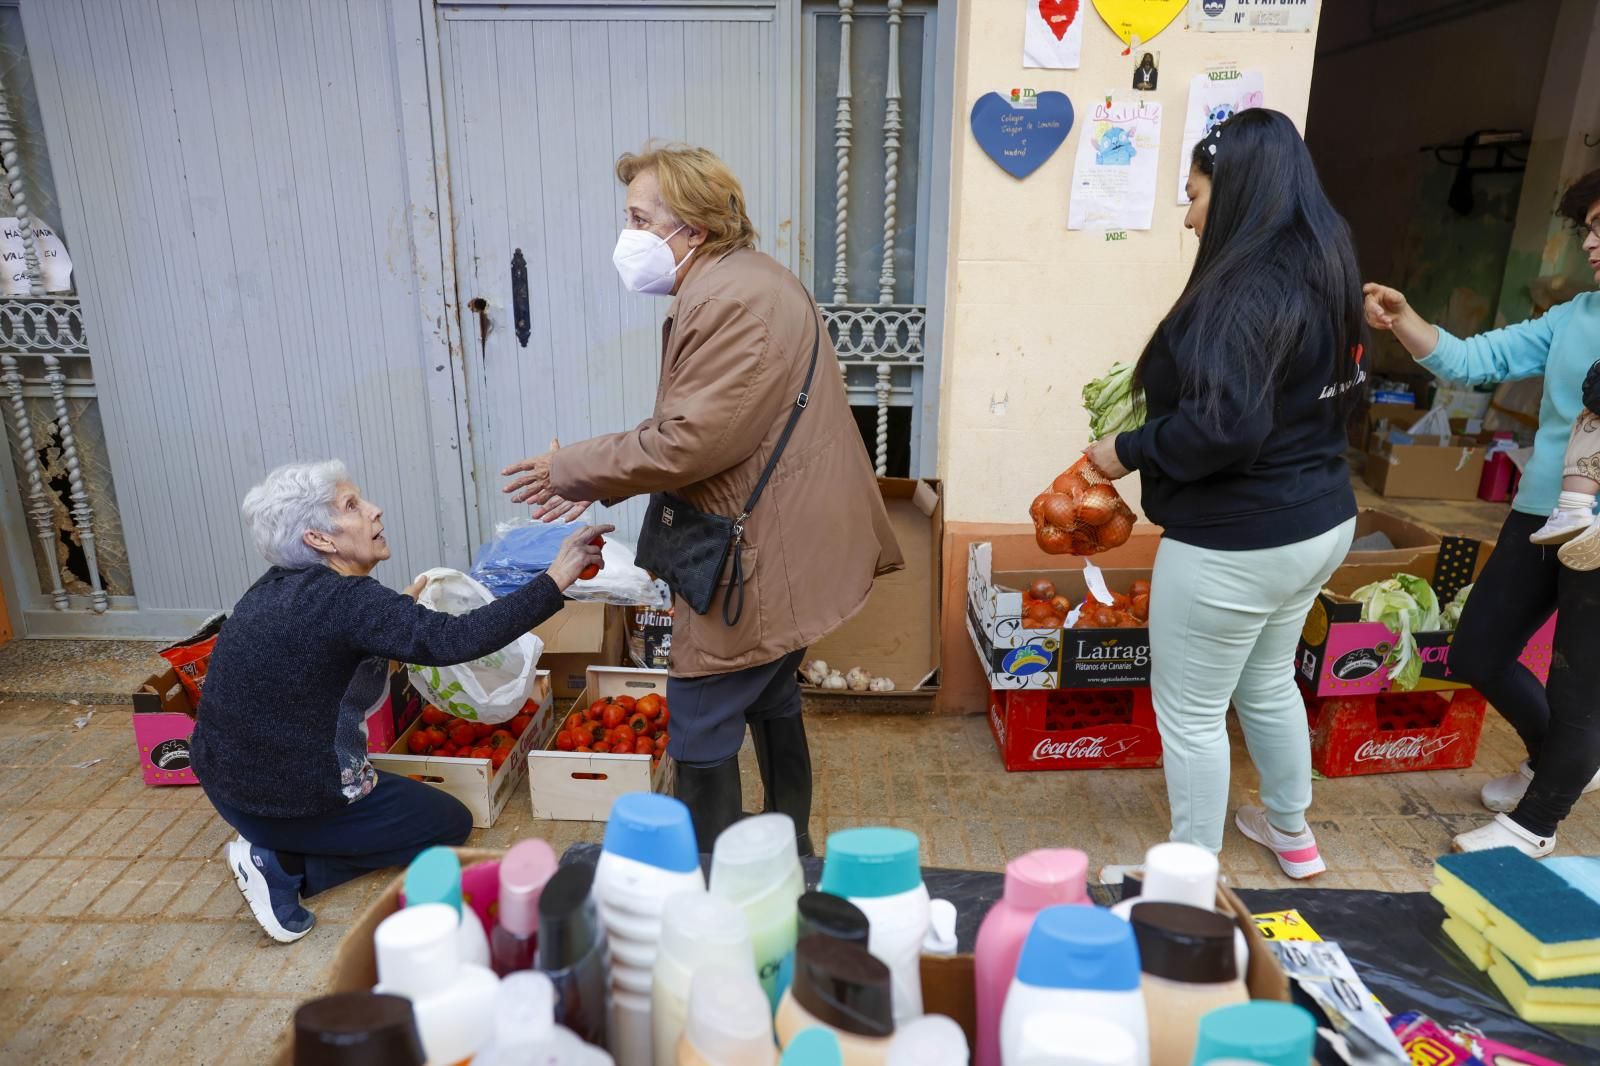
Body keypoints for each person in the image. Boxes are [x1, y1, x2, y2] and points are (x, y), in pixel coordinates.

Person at [501, 144, 901, 853]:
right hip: (787, 537)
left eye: (640, 219)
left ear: (697, 226)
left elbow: (688, 443)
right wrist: (586, 467)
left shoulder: (729, 301)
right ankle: (789, 855)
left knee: (702, 713)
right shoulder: (746, 282)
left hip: (760, 552)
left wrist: (572, 467)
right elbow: (707, 426)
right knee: (773, 692)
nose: (628, 238)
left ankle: (720, 884)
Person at [1085, 110, 1363, 879]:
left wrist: (1125, 451)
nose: (1188, 212)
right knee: (1268, 679)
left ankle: (1192, 868)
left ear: (1234, 193)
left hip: (1238, 542)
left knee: (1193, 713)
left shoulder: (1245, 291)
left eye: (1196, 192)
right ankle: (1292, 834)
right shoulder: (1323, 269)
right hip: (1320, 520)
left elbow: (1225, 429)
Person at [192, 460, 608, 942]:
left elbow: (339, 641)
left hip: (228, 781)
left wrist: (404, 611)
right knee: (446, 824)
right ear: (320, 540)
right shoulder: (348, 602)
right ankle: (282, 864)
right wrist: (557, 577)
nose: (374, 510)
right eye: (351, 505)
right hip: (285, 800)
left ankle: (279, 847)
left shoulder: (279, 587)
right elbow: (458, 639)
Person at [1363, 167, 1600, 856]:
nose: (1591, 242)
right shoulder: (1572, 317)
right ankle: (1557, 760)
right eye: (1587, 229)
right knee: (1478, 650)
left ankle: (1535, 825)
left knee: (1580, 680)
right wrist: (1405, 319)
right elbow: (1471, 360)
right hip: (1539, 513)